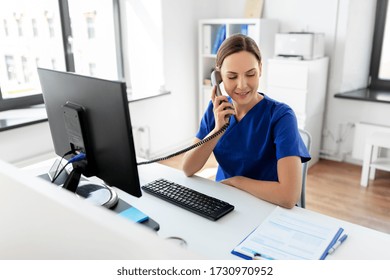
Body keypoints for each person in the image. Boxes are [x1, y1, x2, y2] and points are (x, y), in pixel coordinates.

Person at [182, 34, 310, 209]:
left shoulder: (281, 116)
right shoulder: (216, 111)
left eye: (250, 74)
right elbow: (188, 168)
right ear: (218, 77)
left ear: (260, 69)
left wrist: (238, 182)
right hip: (226, 202)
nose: (242, 85)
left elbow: (288, 196)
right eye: (232, 77)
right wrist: (218, 129)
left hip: (268, 205)